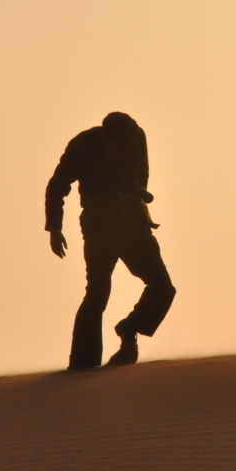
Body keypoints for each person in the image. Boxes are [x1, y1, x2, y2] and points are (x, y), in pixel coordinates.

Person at [46, 112, 176, 369]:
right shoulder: (82, 146)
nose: (125, 150)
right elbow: (57, 186)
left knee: (163, 287)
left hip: (133, 223)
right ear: (105, 139)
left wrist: (139, 205)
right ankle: (84, 364)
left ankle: (129, 329)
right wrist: (55, 229)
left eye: (129, 144)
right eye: (119, 145)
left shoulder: (138, 138)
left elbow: (142, 174)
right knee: (97, 293)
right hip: (99, 227)